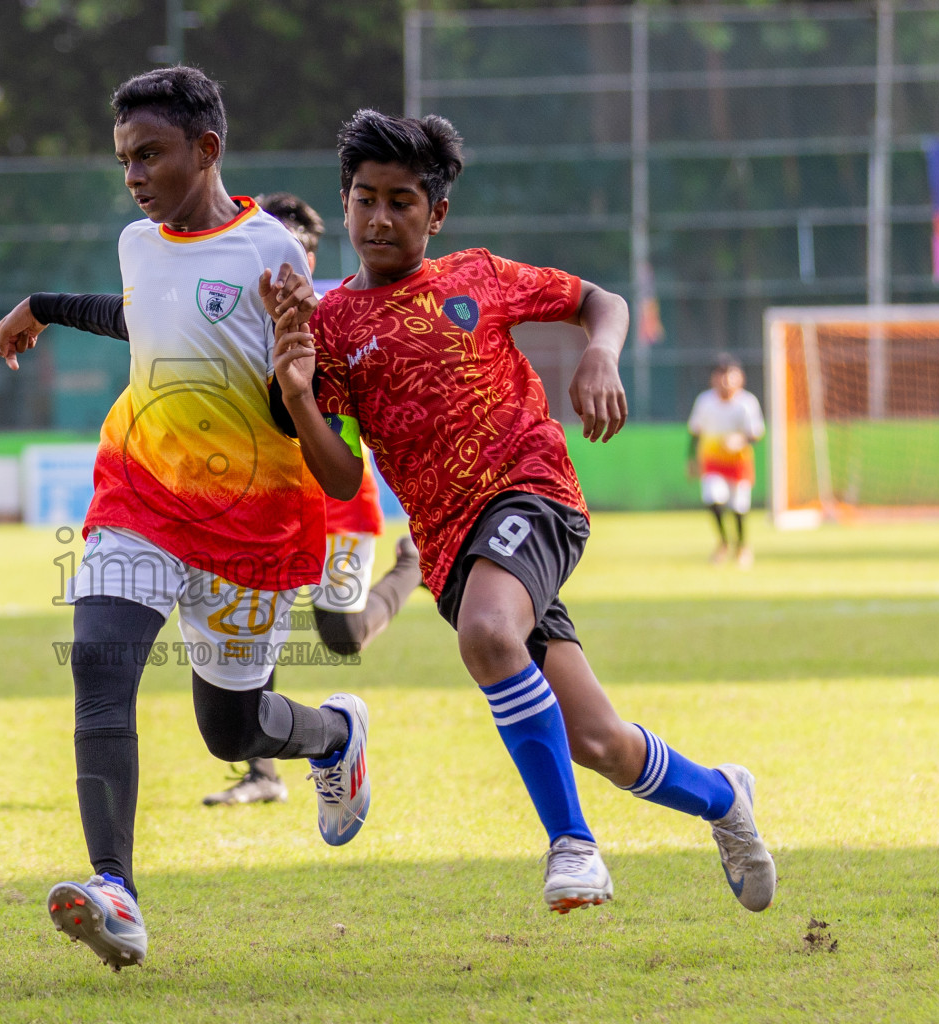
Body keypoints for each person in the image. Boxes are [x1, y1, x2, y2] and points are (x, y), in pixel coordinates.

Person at [266, 109, 775, 915]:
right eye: (365, 198)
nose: (379, 217)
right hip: (451, 549)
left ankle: (572, 847)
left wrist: (601, 354)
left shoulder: (477, 276)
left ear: (436, 216)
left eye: (402, 201)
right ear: (346, 200)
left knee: (490, 635)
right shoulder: (327, 331)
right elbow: (337, 478)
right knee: (598, 741)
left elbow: (597, 301)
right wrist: (297, 394)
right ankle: (723, 798)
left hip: (531, 492)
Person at [0, 67, 371, 972]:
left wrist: (293, 384)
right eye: (124, 159)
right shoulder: (137, 242)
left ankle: (335, 736)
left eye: (149, 154)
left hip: (251, 524)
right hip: (140, 497)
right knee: (100, 662)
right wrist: (43, 306)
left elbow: (300, 400)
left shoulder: (276, 256)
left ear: (208, 150)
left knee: (231, 732)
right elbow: (152, 324)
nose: (133, 175)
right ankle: (113, 888)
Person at [12, 190, 423, 807]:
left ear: (309, 258)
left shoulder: (328, 321)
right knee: (222, 673)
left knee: (338, 634)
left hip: (333, 498)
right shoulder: (218, 289)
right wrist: (45, 306)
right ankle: (262, 770)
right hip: (225, 499)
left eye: (296, 260)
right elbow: (133, 314)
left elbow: (353, 426)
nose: (277, 277)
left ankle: (407, 571)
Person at [687, 356, 765, 568]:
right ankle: (723, 543)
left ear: (740, 378)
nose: (726, 380)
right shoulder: (705, 401)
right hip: (712, 460)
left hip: (738, 462)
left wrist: (740, 440)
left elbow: (756, 433)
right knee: (713, 497)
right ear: (714, 378)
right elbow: (695, 432)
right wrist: (691, 459)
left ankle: (742, 546)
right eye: (721, 375)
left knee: (739, 506)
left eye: (730, 375)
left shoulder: (747, 402)